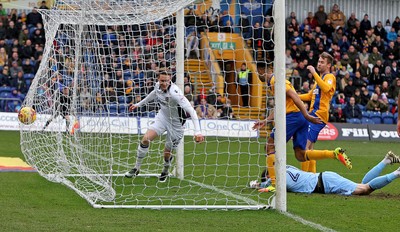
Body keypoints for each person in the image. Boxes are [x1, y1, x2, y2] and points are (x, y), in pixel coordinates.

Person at [252, 72, 352, 187]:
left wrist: (307, 115)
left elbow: (294, 96)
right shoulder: (273, 83)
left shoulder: (276, 81)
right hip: (299, 117)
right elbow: (282, 104)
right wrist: (266, 120)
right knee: (300, 154)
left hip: (293, 117)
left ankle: (274, 185)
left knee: (270, 146)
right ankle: (333, 154)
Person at [125, 72, 204, 182]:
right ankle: (136, 168)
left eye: (167, 81)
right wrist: (138, 104)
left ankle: (165, 169)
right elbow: (154, 93)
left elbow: (191, 110)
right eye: (162, 81)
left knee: (167, 154)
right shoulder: (157, 86)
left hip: (176, 125)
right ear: (158, 79)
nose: (164, 83)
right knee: (145, 139)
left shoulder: (175, 93)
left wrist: (198, 132)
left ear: (170, 79)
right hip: (162, 118)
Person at [251, 151, 400, 196]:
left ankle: (397, 172)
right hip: (325, 179)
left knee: (365, 189)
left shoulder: (280, 181)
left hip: (326, 182)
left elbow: (272, 186)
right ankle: (386, 161)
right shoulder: (287, 168)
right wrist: (260, 182)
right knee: (362, 185)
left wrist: (259, 184)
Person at [299, 52, 336, 173]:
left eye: (322, 62)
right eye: (319, 61)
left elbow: (326, 88)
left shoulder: (330, 77)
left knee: (304, 146)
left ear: (329, 65)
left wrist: (314, 73)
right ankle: (312, 176)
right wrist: (294, 96)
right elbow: (310, 96)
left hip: (318, 115)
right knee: (309, 149)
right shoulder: (318, 81)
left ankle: (304, 177)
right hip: (312, 115)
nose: (319, 64)